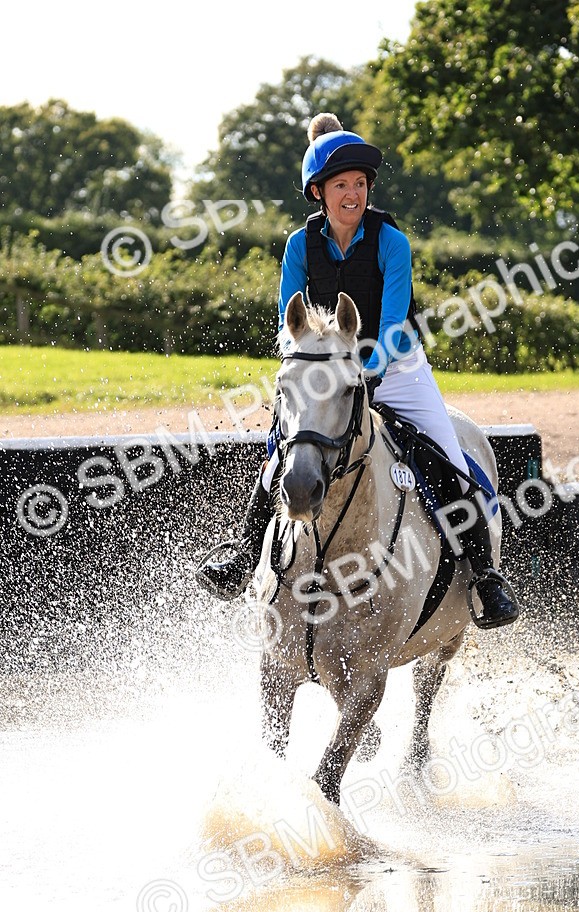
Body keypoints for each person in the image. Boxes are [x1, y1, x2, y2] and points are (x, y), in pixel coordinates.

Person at [196, 113, 519, 628]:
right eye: (342, 184)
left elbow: (392, 326)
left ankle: (485, 576)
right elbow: (291, 323)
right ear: (319, 192)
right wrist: (313, 371)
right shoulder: (299, 246)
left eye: (361, 184)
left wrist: (367, 375)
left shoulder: (392, 243)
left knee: (446, 454)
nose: (354, 194)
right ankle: (242, 552)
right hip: (326, 364)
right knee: (286, 444)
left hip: (398, 367)